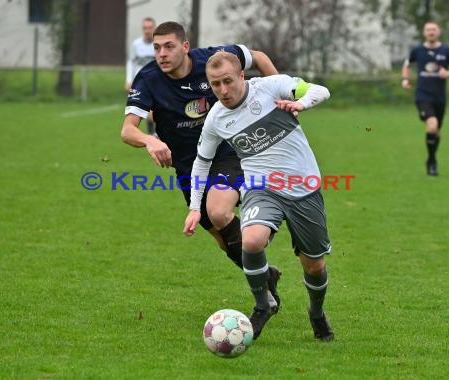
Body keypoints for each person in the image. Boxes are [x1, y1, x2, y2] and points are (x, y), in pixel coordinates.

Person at [120, 22, 282, 310]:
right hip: (187, 166)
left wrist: (281, 96)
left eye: (169, 46)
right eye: (157, 48)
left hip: (228, 150)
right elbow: (127, 130)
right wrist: (149, 140)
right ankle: (266, 274)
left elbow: (257, 57)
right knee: (223, 241)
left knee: (219, 212)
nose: (162, 54)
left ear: (185, 46)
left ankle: (263, 293)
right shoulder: (148, 78)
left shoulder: (213, 59)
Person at [183, 51, 334, 341]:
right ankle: (264, 304)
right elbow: (202, 162)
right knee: (251, 240)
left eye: (228, 81)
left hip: (304, 188)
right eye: (215, 84)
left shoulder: (271, 86)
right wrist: (194, 208)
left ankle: (316, 313)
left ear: (242, 75)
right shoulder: (215, 118)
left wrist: (300, 103)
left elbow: (321, 90)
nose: (223, 90)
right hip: (260, 187)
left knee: (313, 265)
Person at [402, 20, 449, 176]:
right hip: (422, 95)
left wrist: (447, 74)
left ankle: (431, 158)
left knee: (436, 132)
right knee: (432, 125)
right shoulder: (417, 50)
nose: (431, 32)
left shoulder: (447, 50)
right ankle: (432, 161)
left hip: (440, 97)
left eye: (434, 29)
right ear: (424, 32)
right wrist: (405, 79)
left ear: (438, 32)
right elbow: (407, 65)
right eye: (428, 29)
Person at [126, 17, 157, 135]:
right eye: (145, 28)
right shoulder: (136, 44)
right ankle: (153, 135)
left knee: (154, 113)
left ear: (154, 28)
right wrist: (129, 80)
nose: (147, 30)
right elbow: (131, 62)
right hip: (142, 83)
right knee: (149, 114)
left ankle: (154, 135)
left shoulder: (158, 44)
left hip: (157, 82)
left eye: (150, 28)